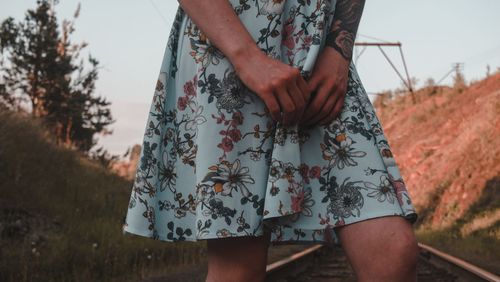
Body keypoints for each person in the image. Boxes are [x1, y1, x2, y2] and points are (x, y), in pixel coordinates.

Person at [122, 0, 420, 281]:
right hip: (228, 50)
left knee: (393, 254)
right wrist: (247, 58)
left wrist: (340, 50)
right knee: (239, 271)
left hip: (318, 57)